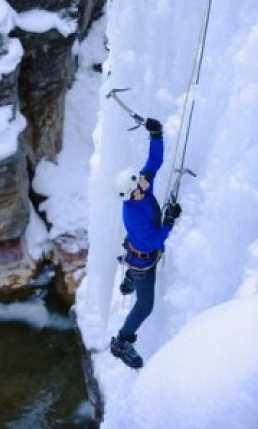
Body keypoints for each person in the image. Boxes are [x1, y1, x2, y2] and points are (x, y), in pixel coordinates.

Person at [110, 118, 181, 369]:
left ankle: (129, 276)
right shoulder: (135, 214)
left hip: (138, 248)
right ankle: (122, 340)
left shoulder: (140, 188)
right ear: (134, 193)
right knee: (145, 305)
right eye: (139, 182)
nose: (144, 179)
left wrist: (156, 134)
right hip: (143, 258)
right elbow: (152, 241)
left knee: (138, 251)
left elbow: (154, 163)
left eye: (141, 179)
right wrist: (169, 222)